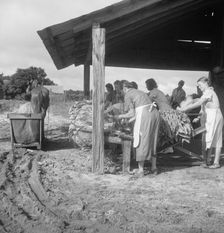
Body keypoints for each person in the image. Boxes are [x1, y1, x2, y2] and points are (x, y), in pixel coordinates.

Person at [114, 81, 160, 177]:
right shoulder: (139, 92)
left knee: (141, 138)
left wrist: (119, 116)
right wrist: (127, 121)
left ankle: (141, 170)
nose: (120, 93)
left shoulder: (128, 94)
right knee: (152, 139)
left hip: (145, 114)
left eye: (120, 90)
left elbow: (132, 113)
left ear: (124, 88)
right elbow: (135, 114)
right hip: (155, 114)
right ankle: (154, 167)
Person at [178, 76, 223, 169]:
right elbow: (203, 109)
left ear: (205, 83)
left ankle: (216, 162)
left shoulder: (209, 92)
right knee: (208, 138)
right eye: (198, 86)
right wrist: (198, 118)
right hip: (210, 117)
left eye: (200, 85)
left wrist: (183, 109)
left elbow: (198, 103)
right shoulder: (205, 94)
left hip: (216, 116)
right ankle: (208, 161)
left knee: (217, 139)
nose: (199, 87)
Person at [145, 78, 192, 152]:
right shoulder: (159, 91)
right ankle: (168, 147)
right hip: (169, 110)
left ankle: (166, 147)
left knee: (161, 128)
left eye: (146, 85)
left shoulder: (153, 92)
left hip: (165, 112)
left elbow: (147, 101)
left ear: (149, 85)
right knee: (166, 129)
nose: (146, 87)